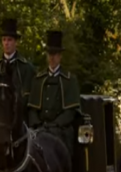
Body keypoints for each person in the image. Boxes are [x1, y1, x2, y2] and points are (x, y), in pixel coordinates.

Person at [27, 30, 81, 161]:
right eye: (50, 54)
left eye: (55, 54)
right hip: (39, 129)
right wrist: (37, 124)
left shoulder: (70, 80)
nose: (52, 57)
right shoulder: (38, 79)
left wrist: (55, 125)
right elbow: (32, 109)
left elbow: (70, 112)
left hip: (60, 130)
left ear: (60, 56)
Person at [0, 18, 36, 142]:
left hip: (20, 119)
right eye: (4, 40)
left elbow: (30, 97)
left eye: (10, 40)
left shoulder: (27, 68)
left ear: (16, 42)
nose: (6, 43)